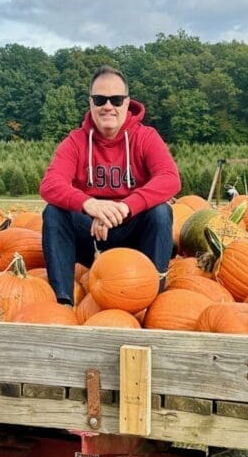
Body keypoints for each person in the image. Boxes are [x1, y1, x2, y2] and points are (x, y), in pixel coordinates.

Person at [40, 65, 181, 307]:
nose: (108, 106)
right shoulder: (76, 141)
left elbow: (169, 178)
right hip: (91, 235)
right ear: (91, 103)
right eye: (100, 99)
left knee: (161, 212)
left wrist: (125, 207)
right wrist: (90, 205)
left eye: (116, 99)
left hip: (132, 236)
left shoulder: (145, 137)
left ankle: (151, 300)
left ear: (127, 103)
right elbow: (50, 184)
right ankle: (63, 303)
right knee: (53, 212)